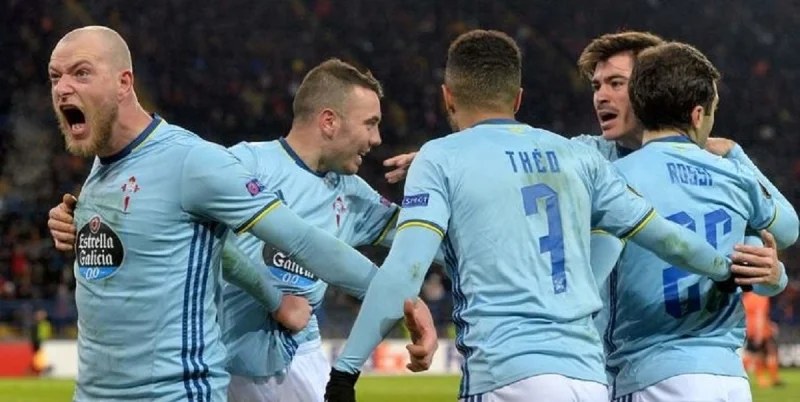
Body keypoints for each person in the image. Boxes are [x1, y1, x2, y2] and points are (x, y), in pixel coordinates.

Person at [324, 29, 758, 402]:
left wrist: (346, 371)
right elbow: (664, 236)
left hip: (507, 374)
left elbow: (405, 268)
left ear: (447, 97)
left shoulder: (440, 158)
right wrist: (724, 269)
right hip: (589, 379)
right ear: (517, 98)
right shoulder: (579, 158)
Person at [47, 53, 439, 401]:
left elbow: (431, 237)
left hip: (297, 358)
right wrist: (83, 220)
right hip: (218, 359)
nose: (377, 139)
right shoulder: (243, 164)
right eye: (370, 124)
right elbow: (180, 229)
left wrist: (440, 179)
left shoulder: (356, 197)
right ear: (329, 121)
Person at [599, 41, 795, 402]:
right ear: (697, 115)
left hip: (651, 374)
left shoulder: (610, 179)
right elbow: (788, 229)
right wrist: (735, 153)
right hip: (728, 379)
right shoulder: (735, 176)